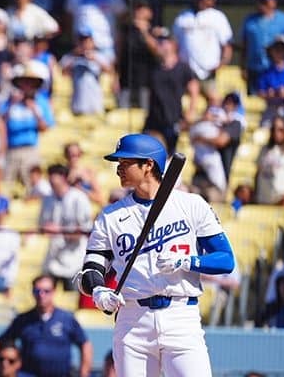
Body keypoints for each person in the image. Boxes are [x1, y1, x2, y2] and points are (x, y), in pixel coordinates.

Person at [77, 133, 235, 376]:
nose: (119, 169)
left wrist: (187, 261)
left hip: (181, 315)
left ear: (148, 165)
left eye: (125, 162)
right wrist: (98, 290)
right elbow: (91, 268)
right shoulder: (110, 216)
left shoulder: (192, 205)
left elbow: (225, 259)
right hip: (133, 319)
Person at [0, 275, 92, 377]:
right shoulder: (24, 320)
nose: (41, 295)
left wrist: (84, 372)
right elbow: (0, 342)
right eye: (37, 291)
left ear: (53, 292)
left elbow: (85, 344)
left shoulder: (66, 319)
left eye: (46, 291)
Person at [172, 0, 233, 106]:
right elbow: (174, 43)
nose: (201, 0)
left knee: (214, 101)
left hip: (209, 71)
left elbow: (227, 45)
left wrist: (221, 64)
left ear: (212, 0)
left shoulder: (218, 17)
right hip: (186, 71)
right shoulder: (183, 17)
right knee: (181, 101)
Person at [143, 32, 199, 155]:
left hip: (172, 119)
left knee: (169, 155)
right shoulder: (154, 68)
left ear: (173, 45)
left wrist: (190, 111)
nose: (159, 45)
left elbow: (194, 90)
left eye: (163, 42)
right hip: (153, 120)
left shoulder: (183, 68)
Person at [40, 165, 93, 288]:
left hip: (74, 262)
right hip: (52, 260)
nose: (51, 180)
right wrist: (46, 229)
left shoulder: (79, 198)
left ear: (64, 177)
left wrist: (59, 230)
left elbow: (84, 232)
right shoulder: (47, 199)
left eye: (54, 177)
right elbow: (42, 226)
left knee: (72, 296)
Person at [241, 0, 284, 94]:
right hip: (254, 68)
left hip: (275, 70)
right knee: (255, 97)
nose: (261, 4)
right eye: (259, 1)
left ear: (274, 2)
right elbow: (244, 45)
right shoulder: (249, 20)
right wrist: (243, 66)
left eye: (264, 1)